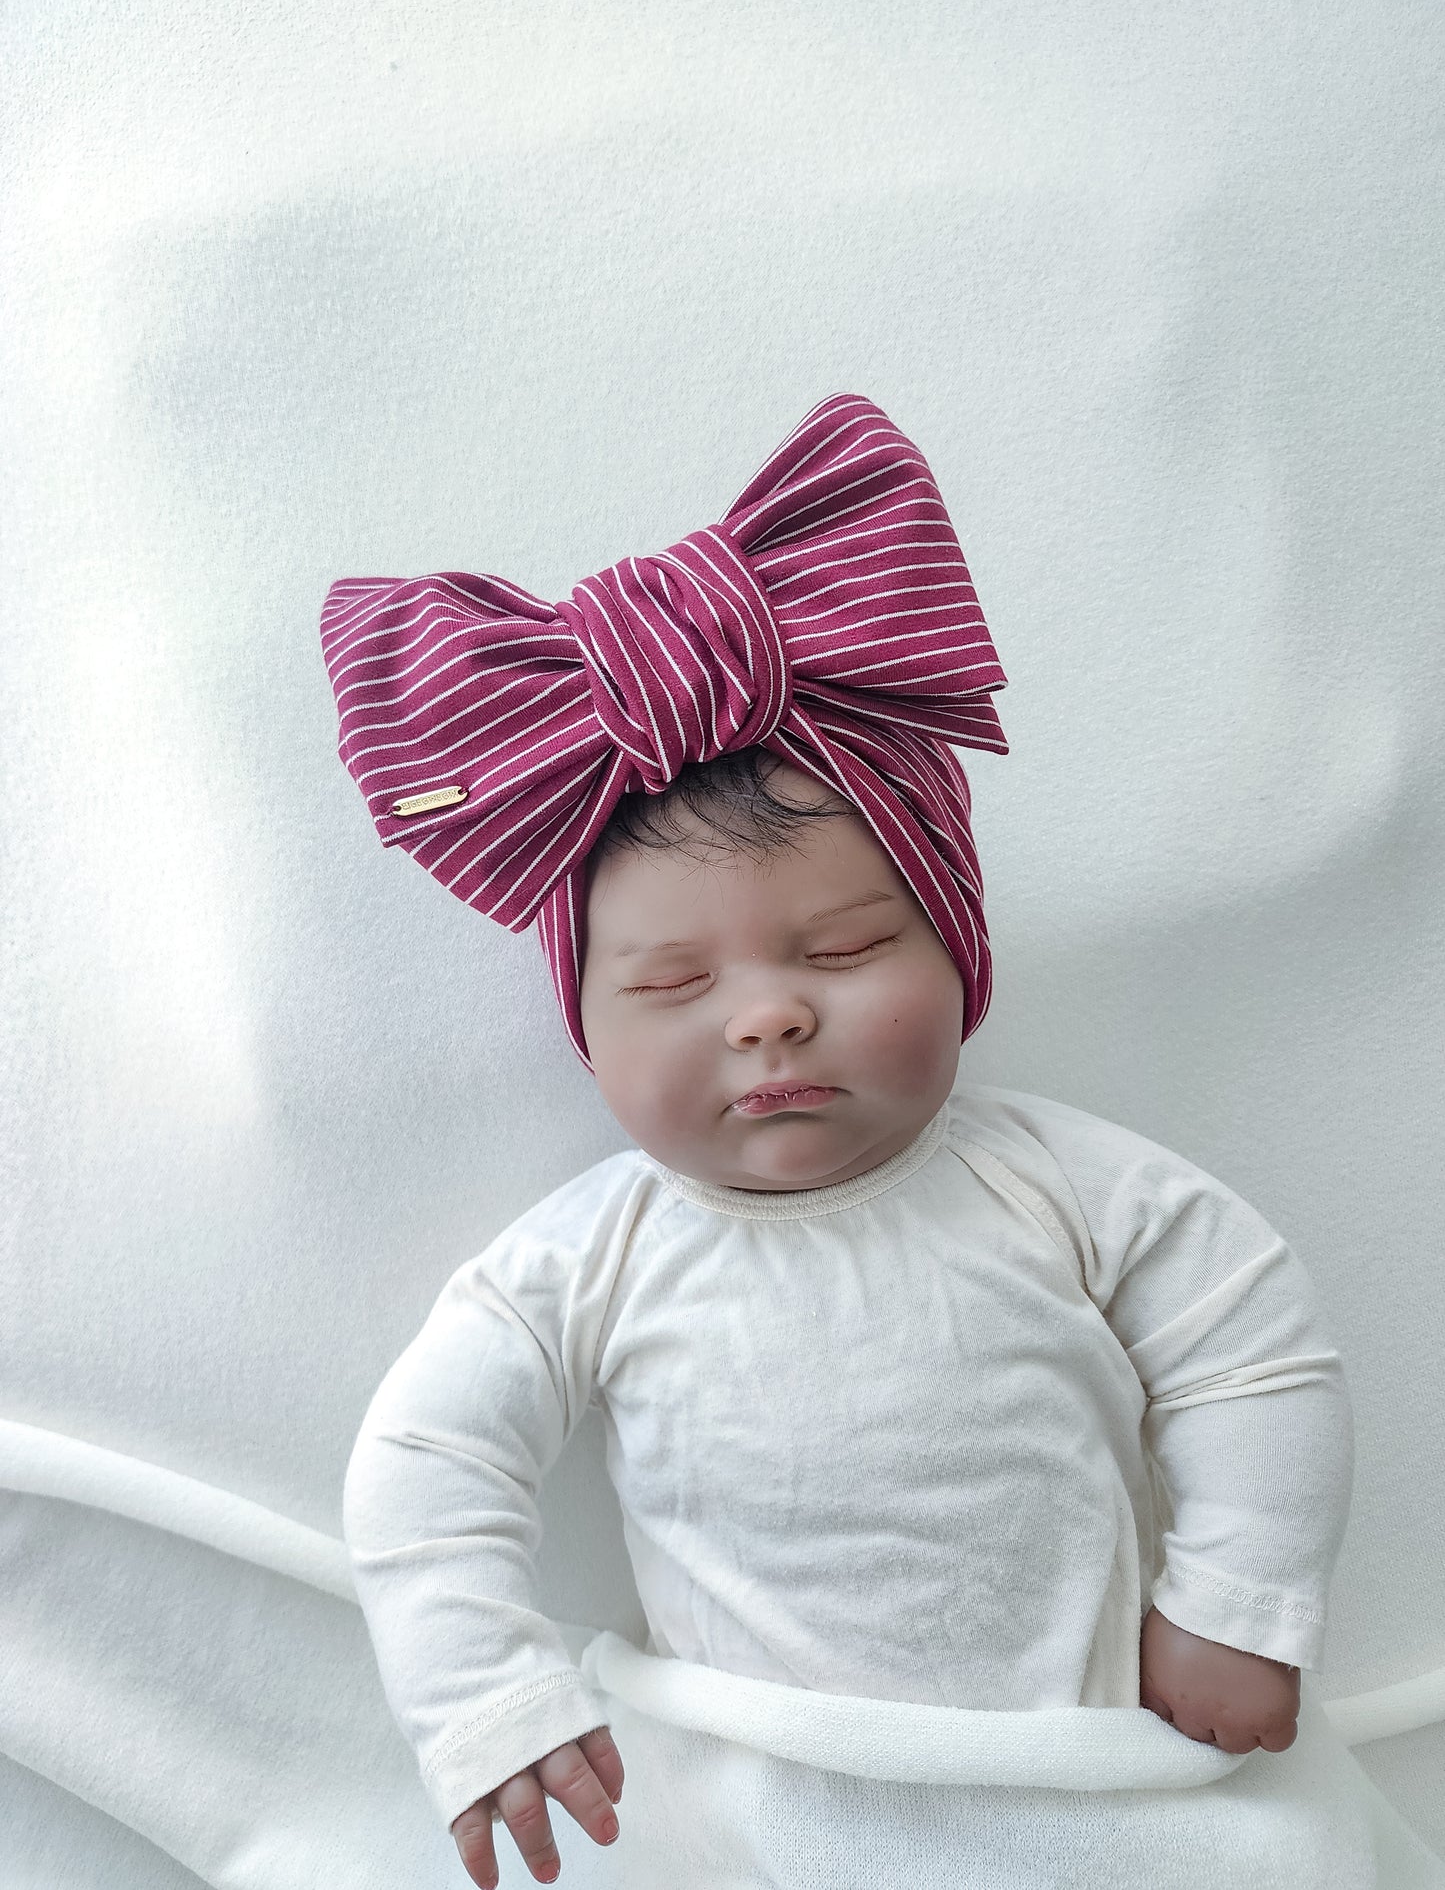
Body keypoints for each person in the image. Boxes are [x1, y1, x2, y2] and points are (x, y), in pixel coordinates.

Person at [323, 395, 1352, 1889]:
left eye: (849, 948)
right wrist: (481, 1693)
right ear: (588, 1029)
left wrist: (1238, 1603)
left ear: (954, 949)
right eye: (675, 986)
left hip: (1100, 1773)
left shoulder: (1063, 1186)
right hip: (762, 1801)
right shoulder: (586, 1259)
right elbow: (425, 1460)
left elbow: (1250, 1350)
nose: (765, 1020)